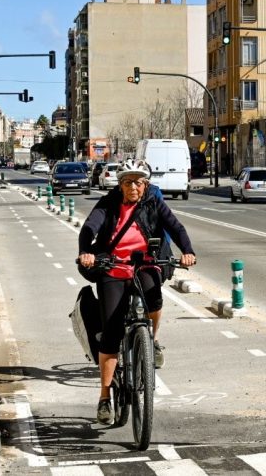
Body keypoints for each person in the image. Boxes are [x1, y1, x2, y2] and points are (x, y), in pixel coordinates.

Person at [76, 159, 196, 425]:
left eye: (138, 182)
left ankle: (151, 339)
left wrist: (187, 251)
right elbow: (89, 228)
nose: (133, 187)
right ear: (120, 184)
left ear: (146, 185)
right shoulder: (108, 203)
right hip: (113, 267)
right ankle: (105, 397)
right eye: (128, 182)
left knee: (154, 297)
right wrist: (86, 252)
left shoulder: (153, 202)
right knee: (111, 332)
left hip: (145, 264)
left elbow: (175, 227)